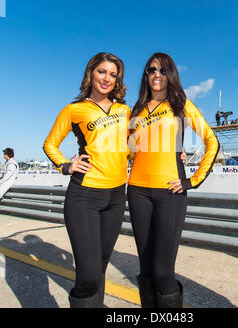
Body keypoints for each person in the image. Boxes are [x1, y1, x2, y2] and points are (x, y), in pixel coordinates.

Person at [127, 52, 220, 308]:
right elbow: (129, 149)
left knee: (162, 270)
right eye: (151, 70)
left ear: (171, 75)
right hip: (136, 191)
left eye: (162, 70)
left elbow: (212, 140)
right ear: (146, 75)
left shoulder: (181, 105)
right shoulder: (136, 109)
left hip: (170, 193)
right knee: (146, 269)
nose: (156, 74)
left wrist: (193, 180)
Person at [43, 52, 130, 308]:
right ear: (91, 73)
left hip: (116, 197)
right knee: (89, 274)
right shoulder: (74, 110)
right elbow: (50, 143)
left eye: (113, 75)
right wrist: (65, 165)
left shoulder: (125, 111)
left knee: (100, 267)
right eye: (102, 71)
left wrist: (174, 153)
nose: (107, 78)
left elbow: (136, 147)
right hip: (84, 197)